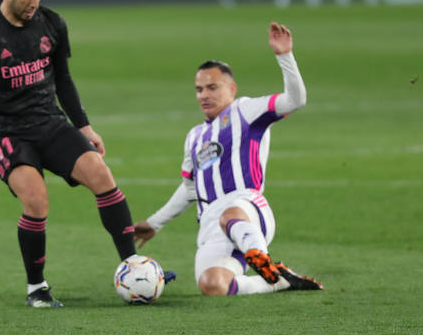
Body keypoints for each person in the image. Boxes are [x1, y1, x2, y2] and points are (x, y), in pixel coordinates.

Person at [0, 0, 144, 308]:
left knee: (101, 174)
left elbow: (64, 80)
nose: (34, 3)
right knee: (36, 199)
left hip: (50, 122)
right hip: (9, 132)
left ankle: (132, 266)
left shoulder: (52, 24)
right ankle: (36, 288)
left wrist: (84, 126)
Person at [133, 23, 323, 297]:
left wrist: (284, 56)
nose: (204, 95)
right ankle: (279, 280)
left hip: (246, 206)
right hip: (210, 223)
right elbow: (189, 189)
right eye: (199, 90)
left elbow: (296, 99)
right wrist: (154, 224)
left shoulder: (246, 110)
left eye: (212, 87)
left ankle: (261, 258)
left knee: (230, 213)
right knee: (212, 285)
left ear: (231, 88)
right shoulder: (194, 136)